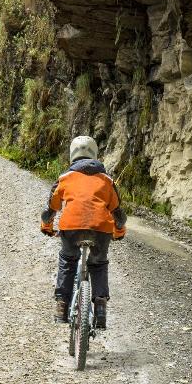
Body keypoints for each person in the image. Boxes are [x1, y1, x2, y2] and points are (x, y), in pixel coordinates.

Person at [40, 135, 126, 329]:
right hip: (101, 230)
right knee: (98, 263)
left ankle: (61, 307)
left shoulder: (64, 179)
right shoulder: (107, 181)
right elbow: (118, 214)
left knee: (68, 260)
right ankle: (101, 309)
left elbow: (50, 210)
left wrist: (47, 227)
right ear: (95, 154)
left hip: (71, 228)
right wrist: (119, 231)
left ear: (72, 155)